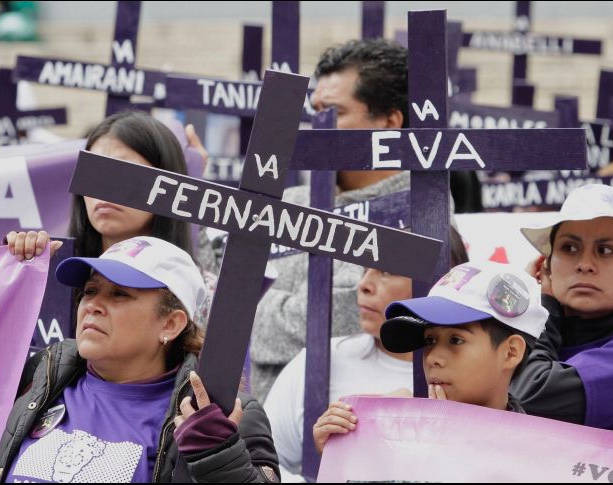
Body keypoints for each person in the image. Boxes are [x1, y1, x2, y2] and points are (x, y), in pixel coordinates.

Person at [197, 38, 462, 402]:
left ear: (389, 122)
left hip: (334, 424)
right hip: (241, 421)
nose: (317, 127)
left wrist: (238, 303)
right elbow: (206, 298)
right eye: (316, 111)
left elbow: (320, 324)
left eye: (333, 113)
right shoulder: (290, 200)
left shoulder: (421, 217)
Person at [0, 236, 280, 483]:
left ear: (170, 324)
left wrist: (220, 458)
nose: (93, 305)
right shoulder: (40, 376)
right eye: (90, 291)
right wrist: (9, 271)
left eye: (119, 294)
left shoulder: (222, 412)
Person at [264, 229, 469, 481]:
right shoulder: (320, 360)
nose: (364, 285)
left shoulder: (474, 376)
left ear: (440, 281)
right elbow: (262, 461)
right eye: (366, 268)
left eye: (387, 271)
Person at [311, 261, 547, 456]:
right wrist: (342, 456)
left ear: (511, 352)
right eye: (430, 340)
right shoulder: (401, 434)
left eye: (456, 340)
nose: (433, 357)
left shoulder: (540, 455)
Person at [7, 110, 216, 325]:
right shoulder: (53, 268)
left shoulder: (204, 295)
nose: (104, 189)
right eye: (94, 173)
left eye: (123, 173)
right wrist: (18, 269)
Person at [513, 184, 613, 438]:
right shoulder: (527, 338)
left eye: (606, 250)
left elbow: (527, 397)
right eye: (569, 248)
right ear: (547, 267)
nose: (585, 264)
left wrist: (544, 308)